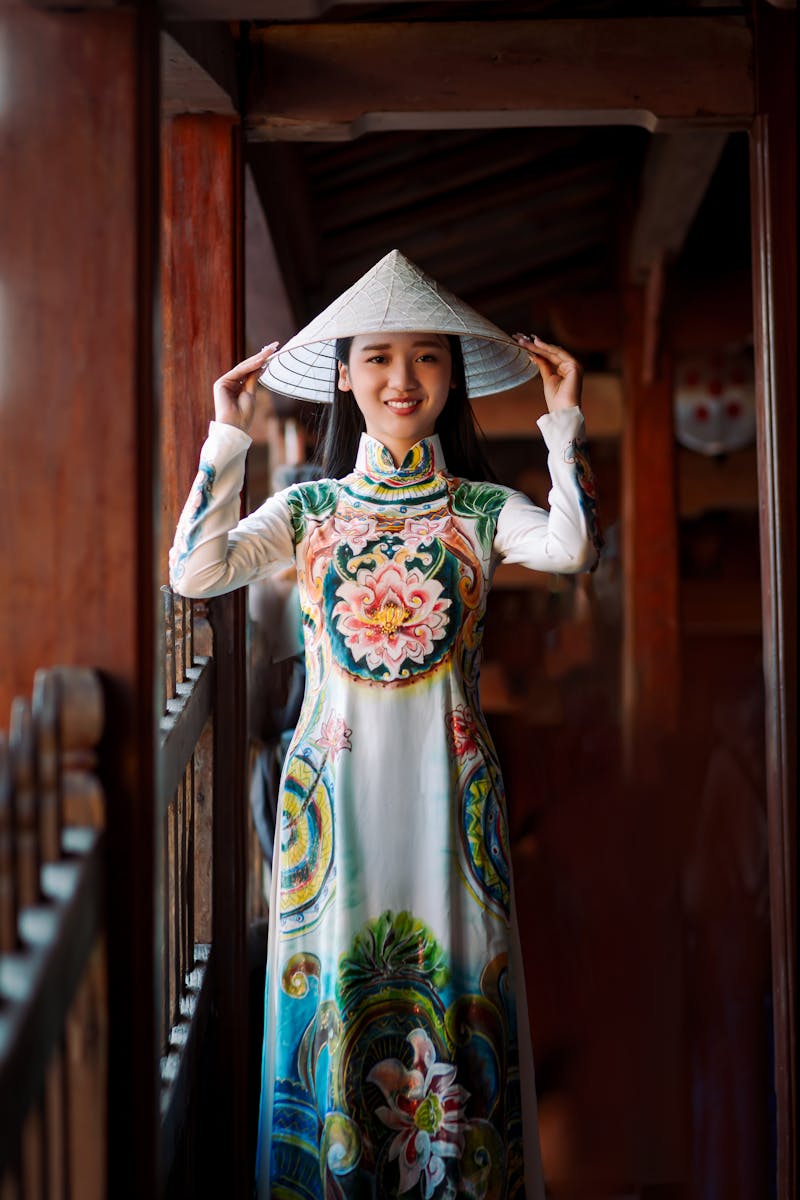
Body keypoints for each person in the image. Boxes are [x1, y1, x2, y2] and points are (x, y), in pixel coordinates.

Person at [170, 250, 602, 1200]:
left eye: (424, 360)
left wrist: (559, 416)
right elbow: (194, 572)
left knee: (459, 1000)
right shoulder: (312, 511)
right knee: (332, 1002)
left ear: (450, 380)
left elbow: (572, 546)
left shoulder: (479, 509)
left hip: (450, 802)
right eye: (377, 358)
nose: (401, 381)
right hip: (335, 814)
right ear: (342, 374)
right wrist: (226, 436)